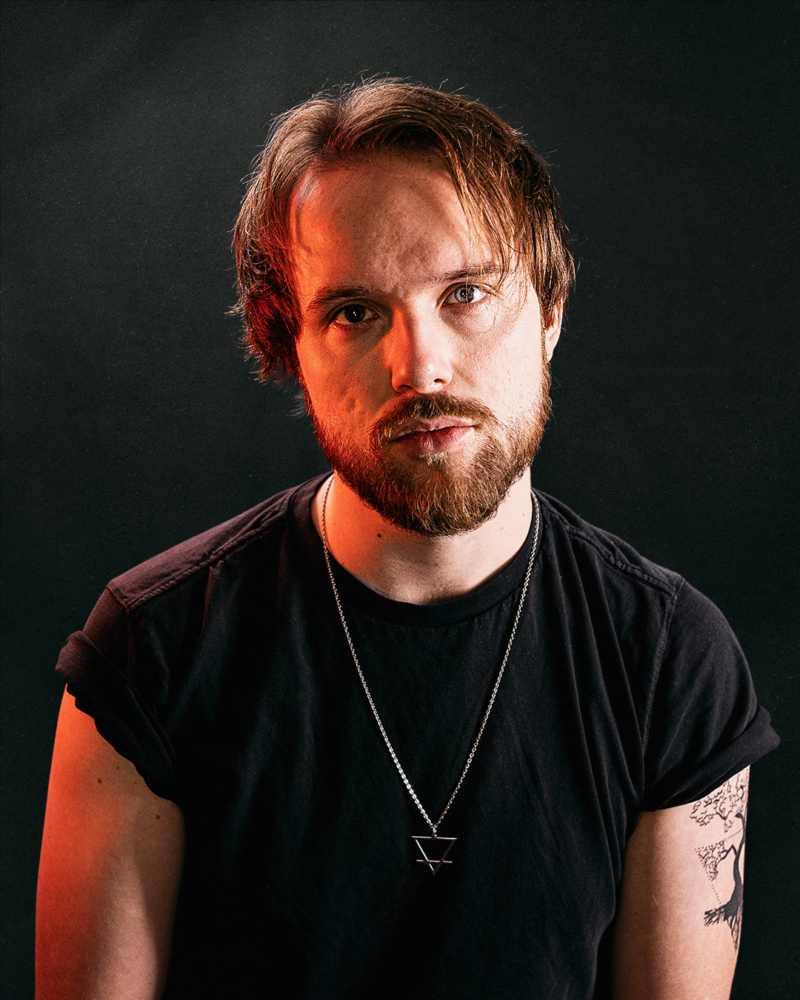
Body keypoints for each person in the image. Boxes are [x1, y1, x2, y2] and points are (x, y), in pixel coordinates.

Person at [36, 80, 779, 1000]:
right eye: (354, 312)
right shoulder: (152, 651)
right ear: (290, 347)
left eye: (466, 293)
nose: (419, 366)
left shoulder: (669, 660)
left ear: (549, 312)